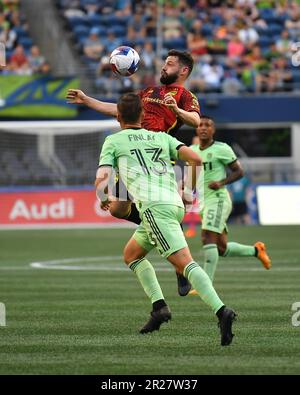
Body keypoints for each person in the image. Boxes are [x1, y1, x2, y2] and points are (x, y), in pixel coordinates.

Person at [95, 93, 236, 346]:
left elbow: (102, 178)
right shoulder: (161, 137)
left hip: (153, 208)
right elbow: (195, 159)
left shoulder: (113, 141)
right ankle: (159, 308)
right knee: (131, 255)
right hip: (172, 203)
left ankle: (222, 311)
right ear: (143, 116)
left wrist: (103, 195)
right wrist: (189, 192)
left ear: (118, 116)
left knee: (185, 264)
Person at [67, 49, 201, 297]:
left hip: (154, 157)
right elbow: (118, 110)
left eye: (169, 64)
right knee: (118, 209)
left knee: (135, 214)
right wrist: (88, 101)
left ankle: (178, 259)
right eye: (164, 63)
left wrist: (177, 110)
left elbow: (195, 120)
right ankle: (166, 229)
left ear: (183, 71)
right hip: (131, 151)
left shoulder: (185, 96)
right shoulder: (149, 92)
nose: (163, 67)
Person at [188, 115, 271, 286]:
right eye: (200, 125)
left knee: (206, 237)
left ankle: (205, 285)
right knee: (221, 248)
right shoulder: (192, 150)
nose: (203, 128)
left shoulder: (222, 149)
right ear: (196, 129)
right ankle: (256, 250)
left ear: (213, 130)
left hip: (218, 199)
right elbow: (192, 177)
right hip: (204, 202)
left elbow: (239, 171)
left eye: (208, 125)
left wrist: (221, 182)